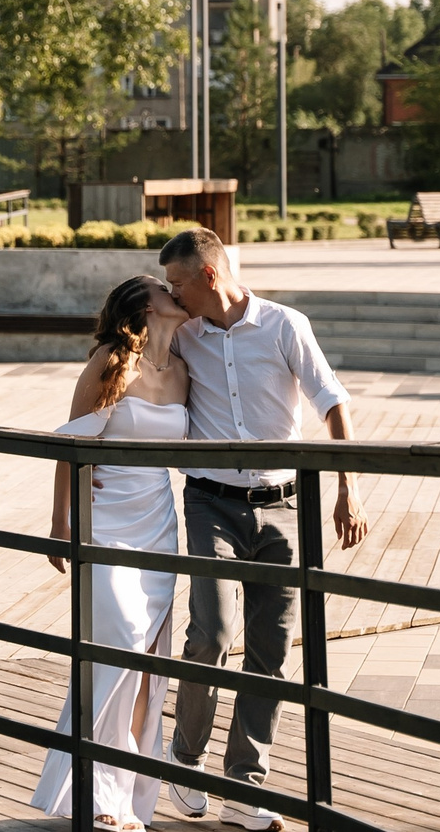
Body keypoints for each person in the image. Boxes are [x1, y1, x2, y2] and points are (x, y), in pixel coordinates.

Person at [158, 228, 366, 829]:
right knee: (213, 635)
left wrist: (349, 487)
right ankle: (185, 761)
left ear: (209, 277)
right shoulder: (183, 336)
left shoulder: (284, 325)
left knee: (271, 651)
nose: (172, 297)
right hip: (211, 504)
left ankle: (246, 788)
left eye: (178, 284)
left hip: (284, 508)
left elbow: (332, 401)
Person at [30, 275, 192, 832]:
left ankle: (125, 799)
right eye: (167, 289)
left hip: (158, 523)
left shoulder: (183, 369)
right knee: (119, 642)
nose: (178, 293)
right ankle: (96, 792)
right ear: (147, 305)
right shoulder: (111, 359)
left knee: (147, 668)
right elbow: (70, 441)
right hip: (106, 521)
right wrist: (59, 522)